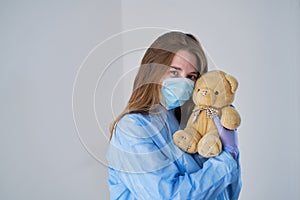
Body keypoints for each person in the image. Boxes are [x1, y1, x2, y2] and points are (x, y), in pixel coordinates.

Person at [106, 31, 242, 200]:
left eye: (191, 76)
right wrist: (226, 160)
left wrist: (230, 151)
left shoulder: (191, 124)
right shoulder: (132, 129)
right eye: (174, 73)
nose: (184, 82)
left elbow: (227, 195)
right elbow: (167, 196)